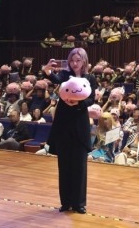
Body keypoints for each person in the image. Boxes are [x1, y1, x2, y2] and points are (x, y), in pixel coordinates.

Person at [43, 48, 97, 215]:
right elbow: (55, 77)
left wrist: (78, 104)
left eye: (78, 60)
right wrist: (47, 71)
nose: (75, 63)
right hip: (64, 124)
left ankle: (79, 203)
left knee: (80, 166)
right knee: (64, 165)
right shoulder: (65, 76)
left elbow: (91, 99)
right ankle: (66, 202)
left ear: (84, 61)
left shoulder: (90, 78)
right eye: (72, 60)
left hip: (79, 124)